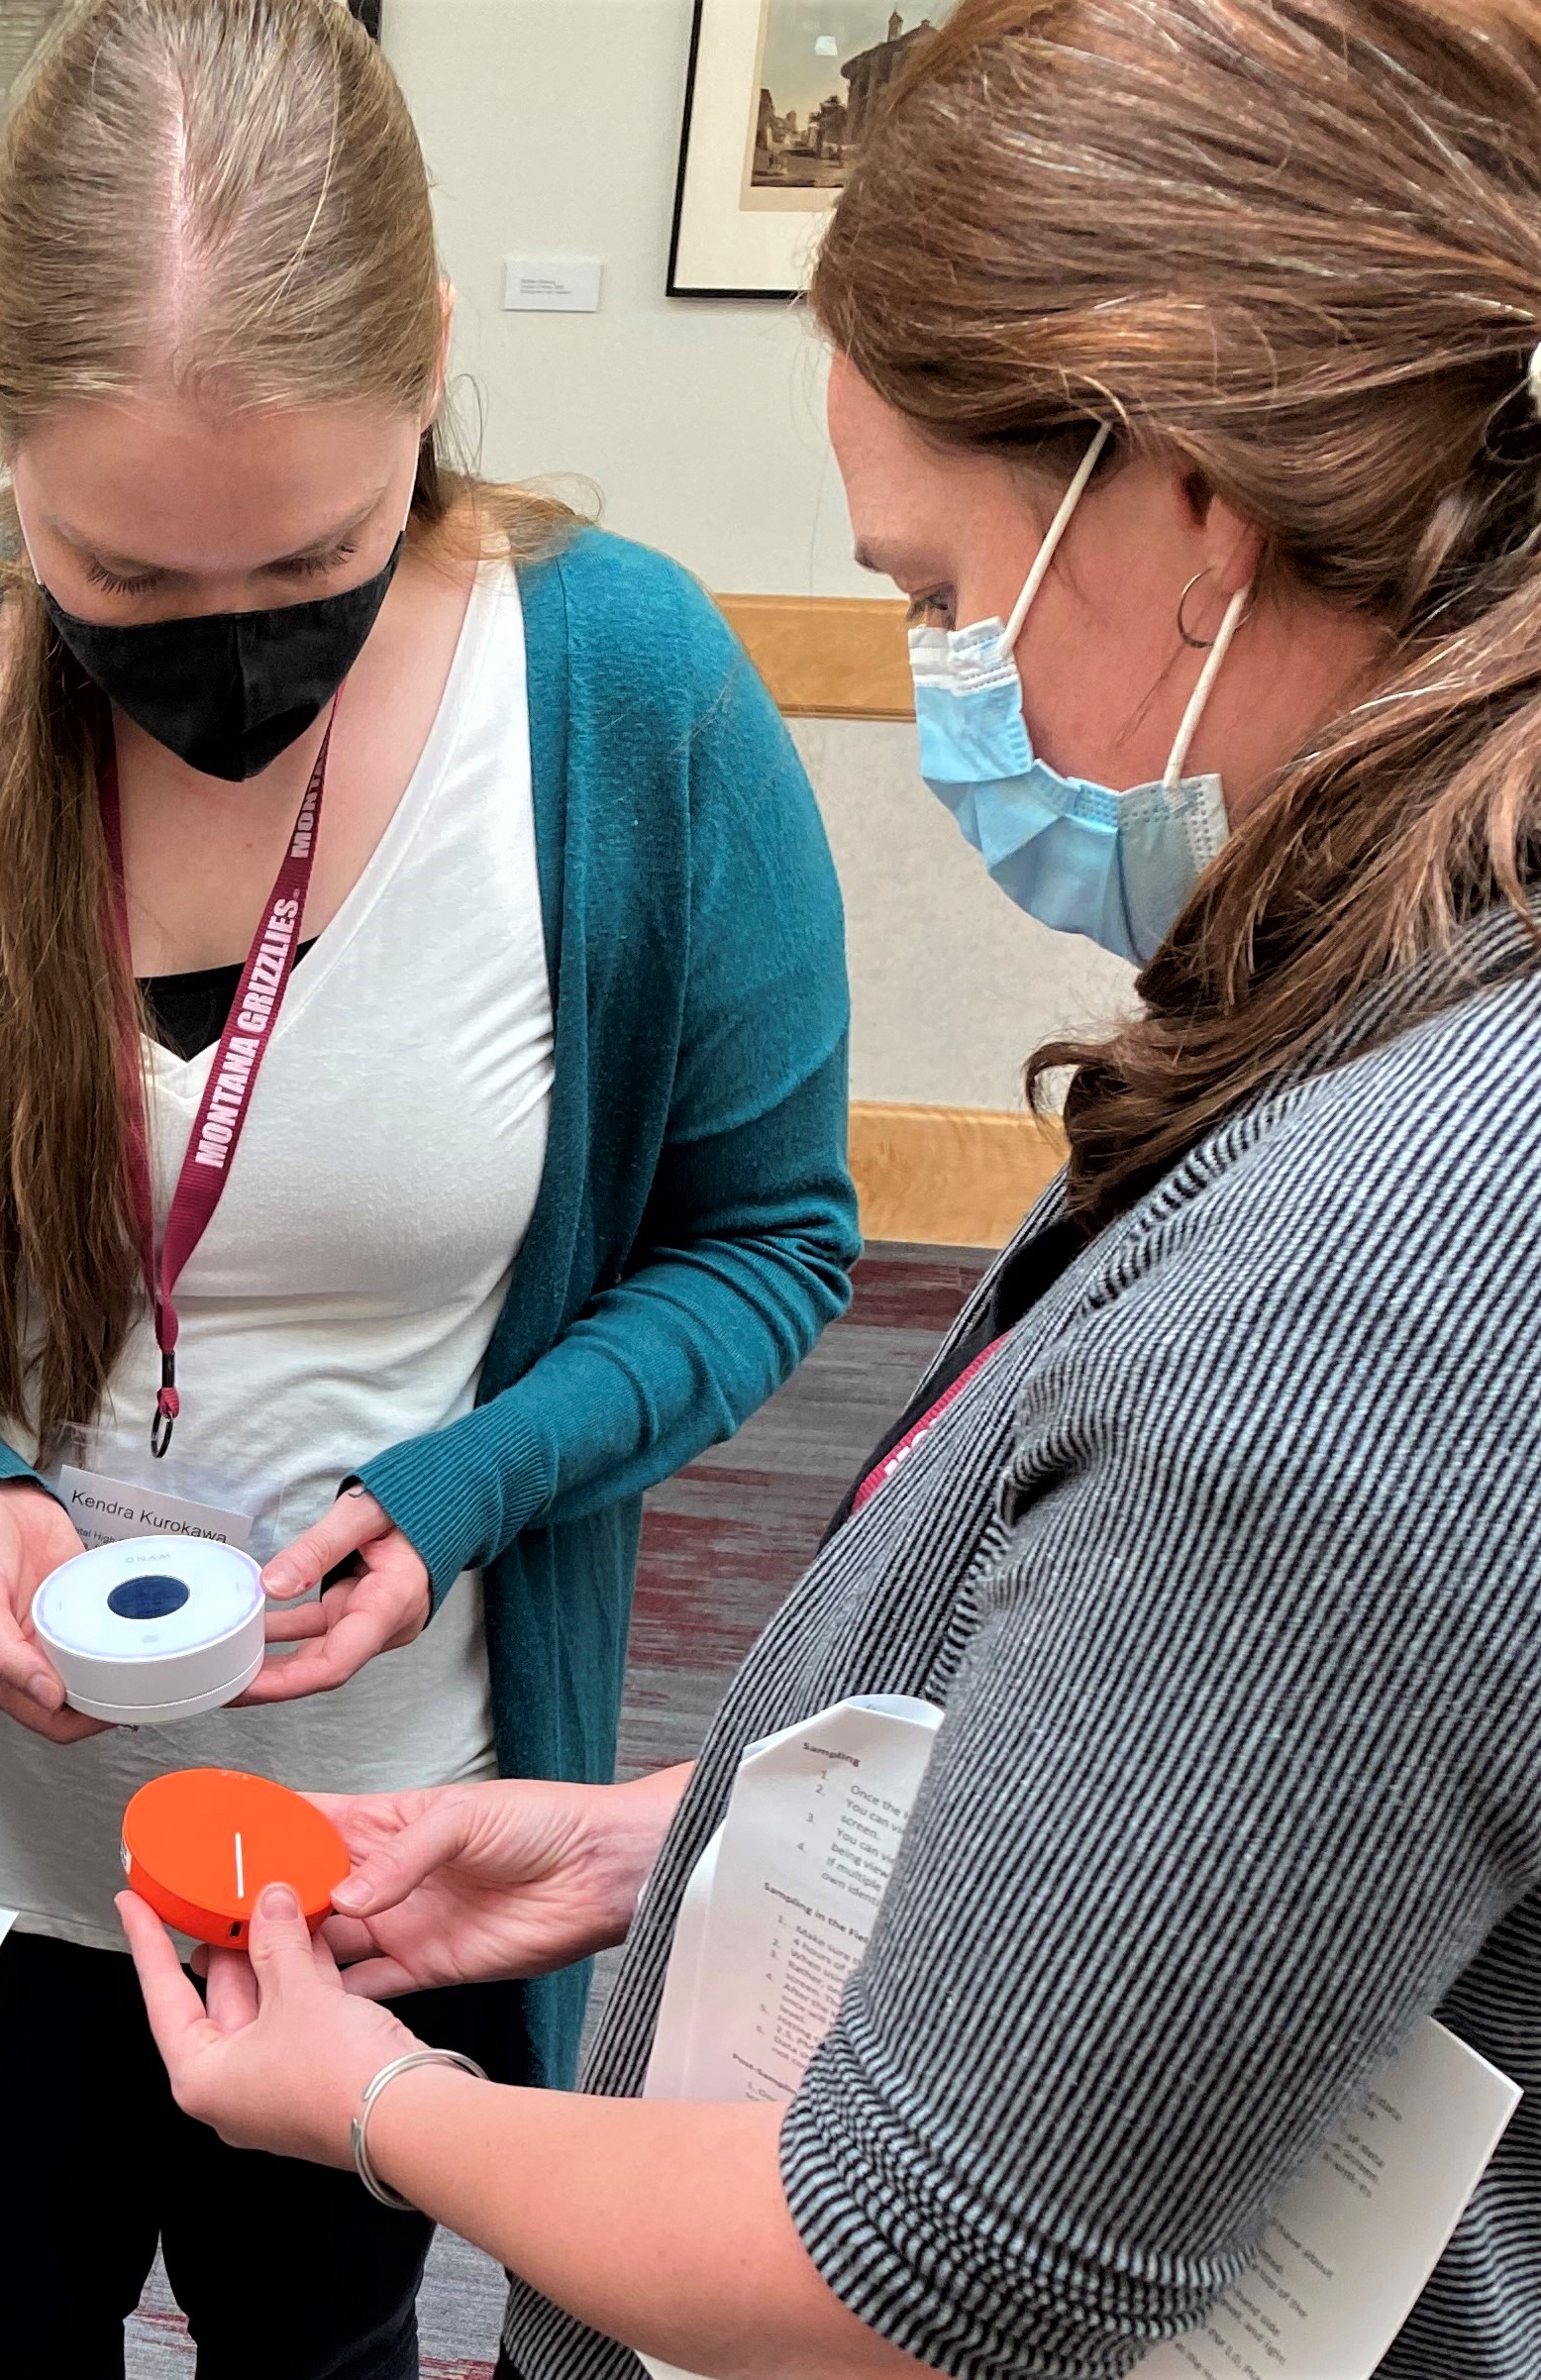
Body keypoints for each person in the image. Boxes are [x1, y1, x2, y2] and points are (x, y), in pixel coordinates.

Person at [116, 4, 1541, 2376]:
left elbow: (932, 2256)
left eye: (936, 583)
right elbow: (1245, 1789)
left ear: (1179, 498)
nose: (940, 674)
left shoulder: (1369, 1291)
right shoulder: (1429, 1041)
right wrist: (647, 1841)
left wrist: (372, 2101)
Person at [0, 1, 859, 2370]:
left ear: (431, 379)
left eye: (311, 552)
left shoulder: (621, 698)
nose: (225, 658)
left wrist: (474, 1479)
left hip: (382, 1842)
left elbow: (763, 1236)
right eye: (119, 571)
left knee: (321, 2332)